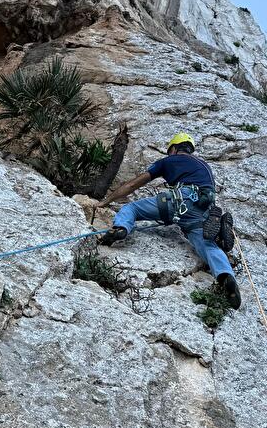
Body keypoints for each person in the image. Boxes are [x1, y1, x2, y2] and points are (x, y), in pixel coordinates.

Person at [96, 132, 242, 310]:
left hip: (177, 201)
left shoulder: (167, 162)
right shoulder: (204, 166)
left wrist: (106, 201)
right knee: (207, 245)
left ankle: (121, 228)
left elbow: (132, 185)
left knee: (131, 208)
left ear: (173, 149)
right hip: (203, 210)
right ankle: (225, 275)